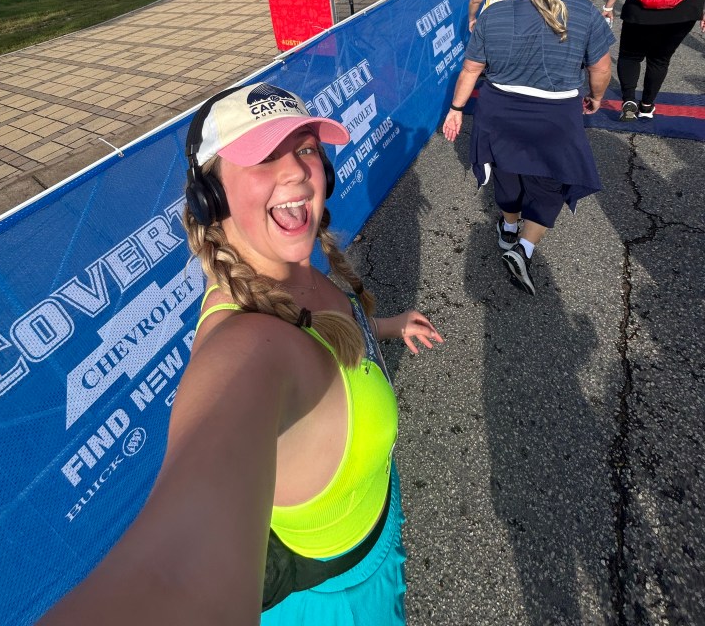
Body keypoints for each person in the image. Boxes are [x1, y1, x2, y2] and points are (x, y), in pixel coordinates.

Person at [38, 82, 443, 625]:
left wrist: (386, 328)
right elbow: (172, 574)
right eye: (262, 156)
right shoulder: (249, 346)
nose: (298, 171)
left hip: (375, 535)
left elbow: (329, 331)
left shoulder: (289, 271)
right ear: (213, 198)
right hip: (338, 603)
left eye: (304, 149)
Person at [442, 0, 614, 296]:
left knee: (507, 173)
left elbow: (471, 70)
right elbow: (600, 69)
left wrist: (456, 109)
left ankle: (508, 229)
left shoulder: (494, 14)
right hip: (557, 114)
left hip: (500, 110)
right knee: (551, 180)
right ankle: (525, 247)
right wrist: (596, 98)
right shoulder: (581, 10)